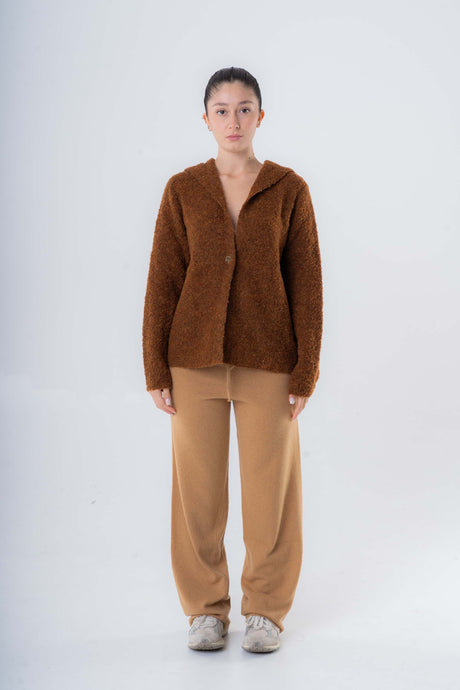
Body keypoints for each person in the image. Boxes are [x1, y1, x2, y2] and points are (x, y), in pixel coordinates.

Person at [142, 66, 323, 653]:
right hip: (191, 361)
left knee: (271, 493)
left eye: (245, 108)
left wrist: (306, 368)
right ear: (206, 119)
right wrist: (155, 367)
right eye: (221, 110)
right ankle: (205, 611)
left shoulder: (289, 189)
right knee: (197, 494)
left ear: (260, 116)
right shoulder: (183, 189)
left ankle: (266, 611)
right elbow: (163, 280)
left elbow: (307, 284)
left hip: (270, 360)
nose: (234, 120)